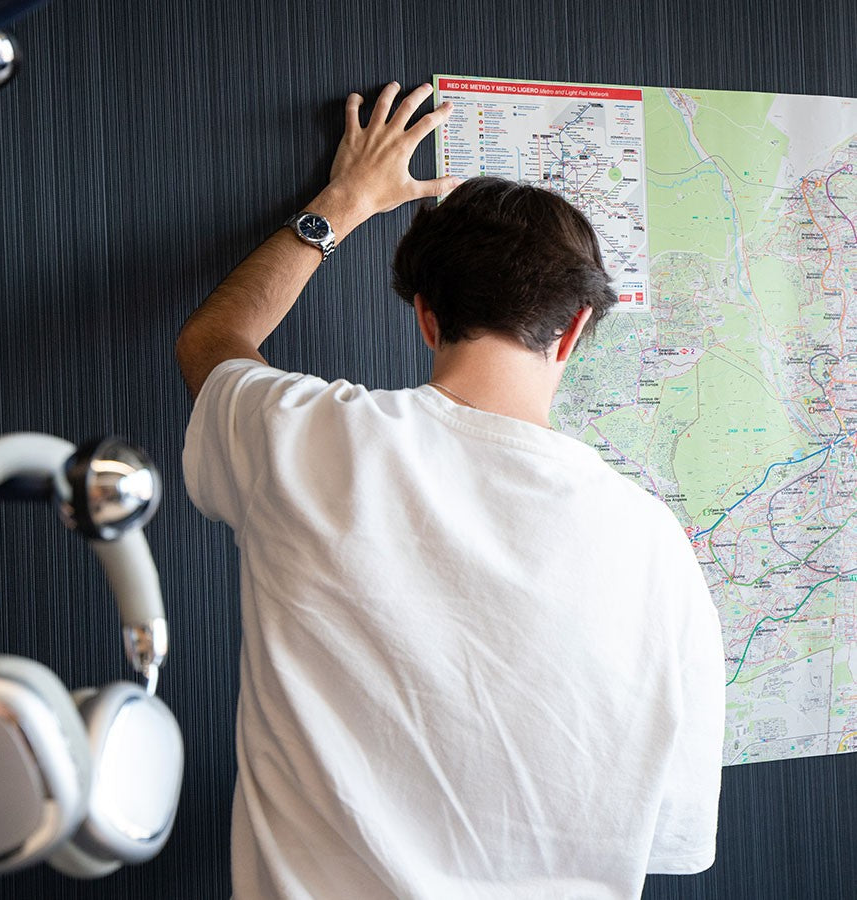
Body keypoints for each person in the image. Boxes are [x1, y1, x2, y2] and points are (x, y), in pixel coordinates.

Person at [177, 82, 726, 900]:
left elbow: (214, 341)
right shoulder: (658, 547)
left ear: (426, 316)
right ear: (576, 328)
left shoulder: (303, 437)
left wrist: (347, 201)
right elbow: (673, 838)